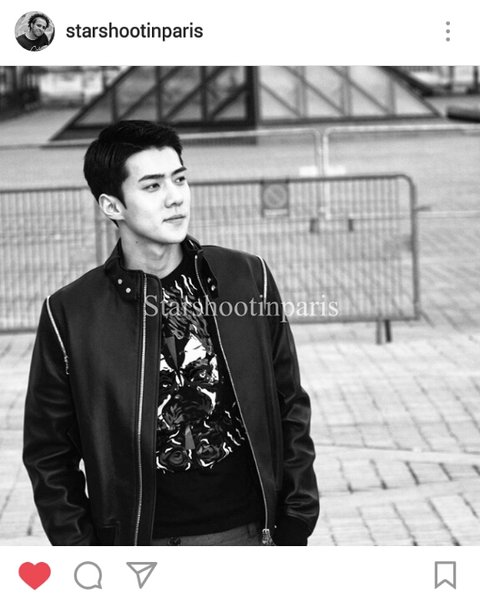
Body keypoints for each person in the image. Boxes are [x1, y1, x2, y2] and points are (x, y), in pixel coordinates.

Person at [23, 120, 319, 546]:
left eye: (180, 179)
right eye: (152, 186)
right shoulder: (71, 312)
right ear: (112, 205)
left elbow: (289, 400)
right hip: (141, 546)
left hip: (252, 534)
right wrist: (83, 552)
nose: (175, 196)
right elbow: (48, 451)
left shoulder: (244, 277)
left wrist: (297, 516)